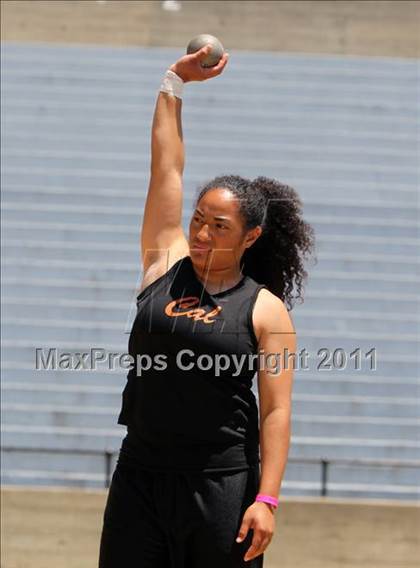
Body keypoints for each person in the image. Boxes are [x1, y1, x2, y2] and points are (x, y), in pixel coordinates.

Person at [98, 45, 315, 568]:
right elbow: (166, 170)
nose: (201, 233)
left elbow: (277, 410)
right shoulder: (161, 262)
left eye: (219, 227)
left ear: (251, 237)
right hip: (140, 477)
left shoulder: (266, 311)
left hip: (220, 486)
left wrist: (266, 499)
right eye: (198, 219)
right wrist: (173, 83)